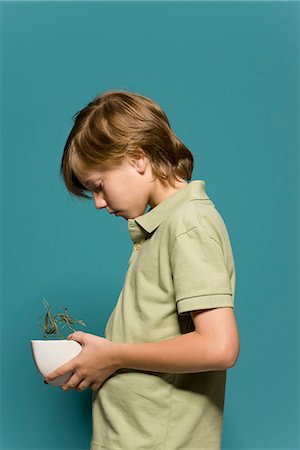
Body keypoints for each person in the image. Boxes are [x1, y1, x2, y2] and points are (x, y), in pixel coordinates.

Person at [45, 90, 240, 450]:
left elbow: (219, 346)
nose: (100, 204)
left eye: (99, 187)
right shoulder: (161, 229)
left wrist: (114, 355)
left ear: (138, 158)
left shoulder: (188, 226)